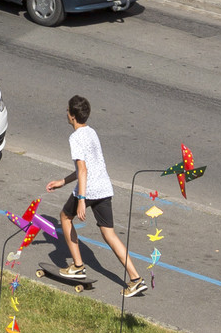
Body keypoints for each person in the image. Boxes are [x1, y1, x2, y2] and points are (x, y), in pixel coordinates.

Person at [46, 94, 147, 295]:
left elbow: (83, 170)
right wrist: (62, 182)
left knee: (65, 217)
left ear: (72, 116)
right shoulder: (91, 132)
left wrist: (81, 200)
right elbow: (86, 167)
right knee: (109, 234)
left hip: (89, 189)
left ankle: (77, 266)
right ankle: (135, 279)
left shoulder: (75, 138)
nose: (66, 113)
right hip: (104, 187)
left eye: (67, 110)